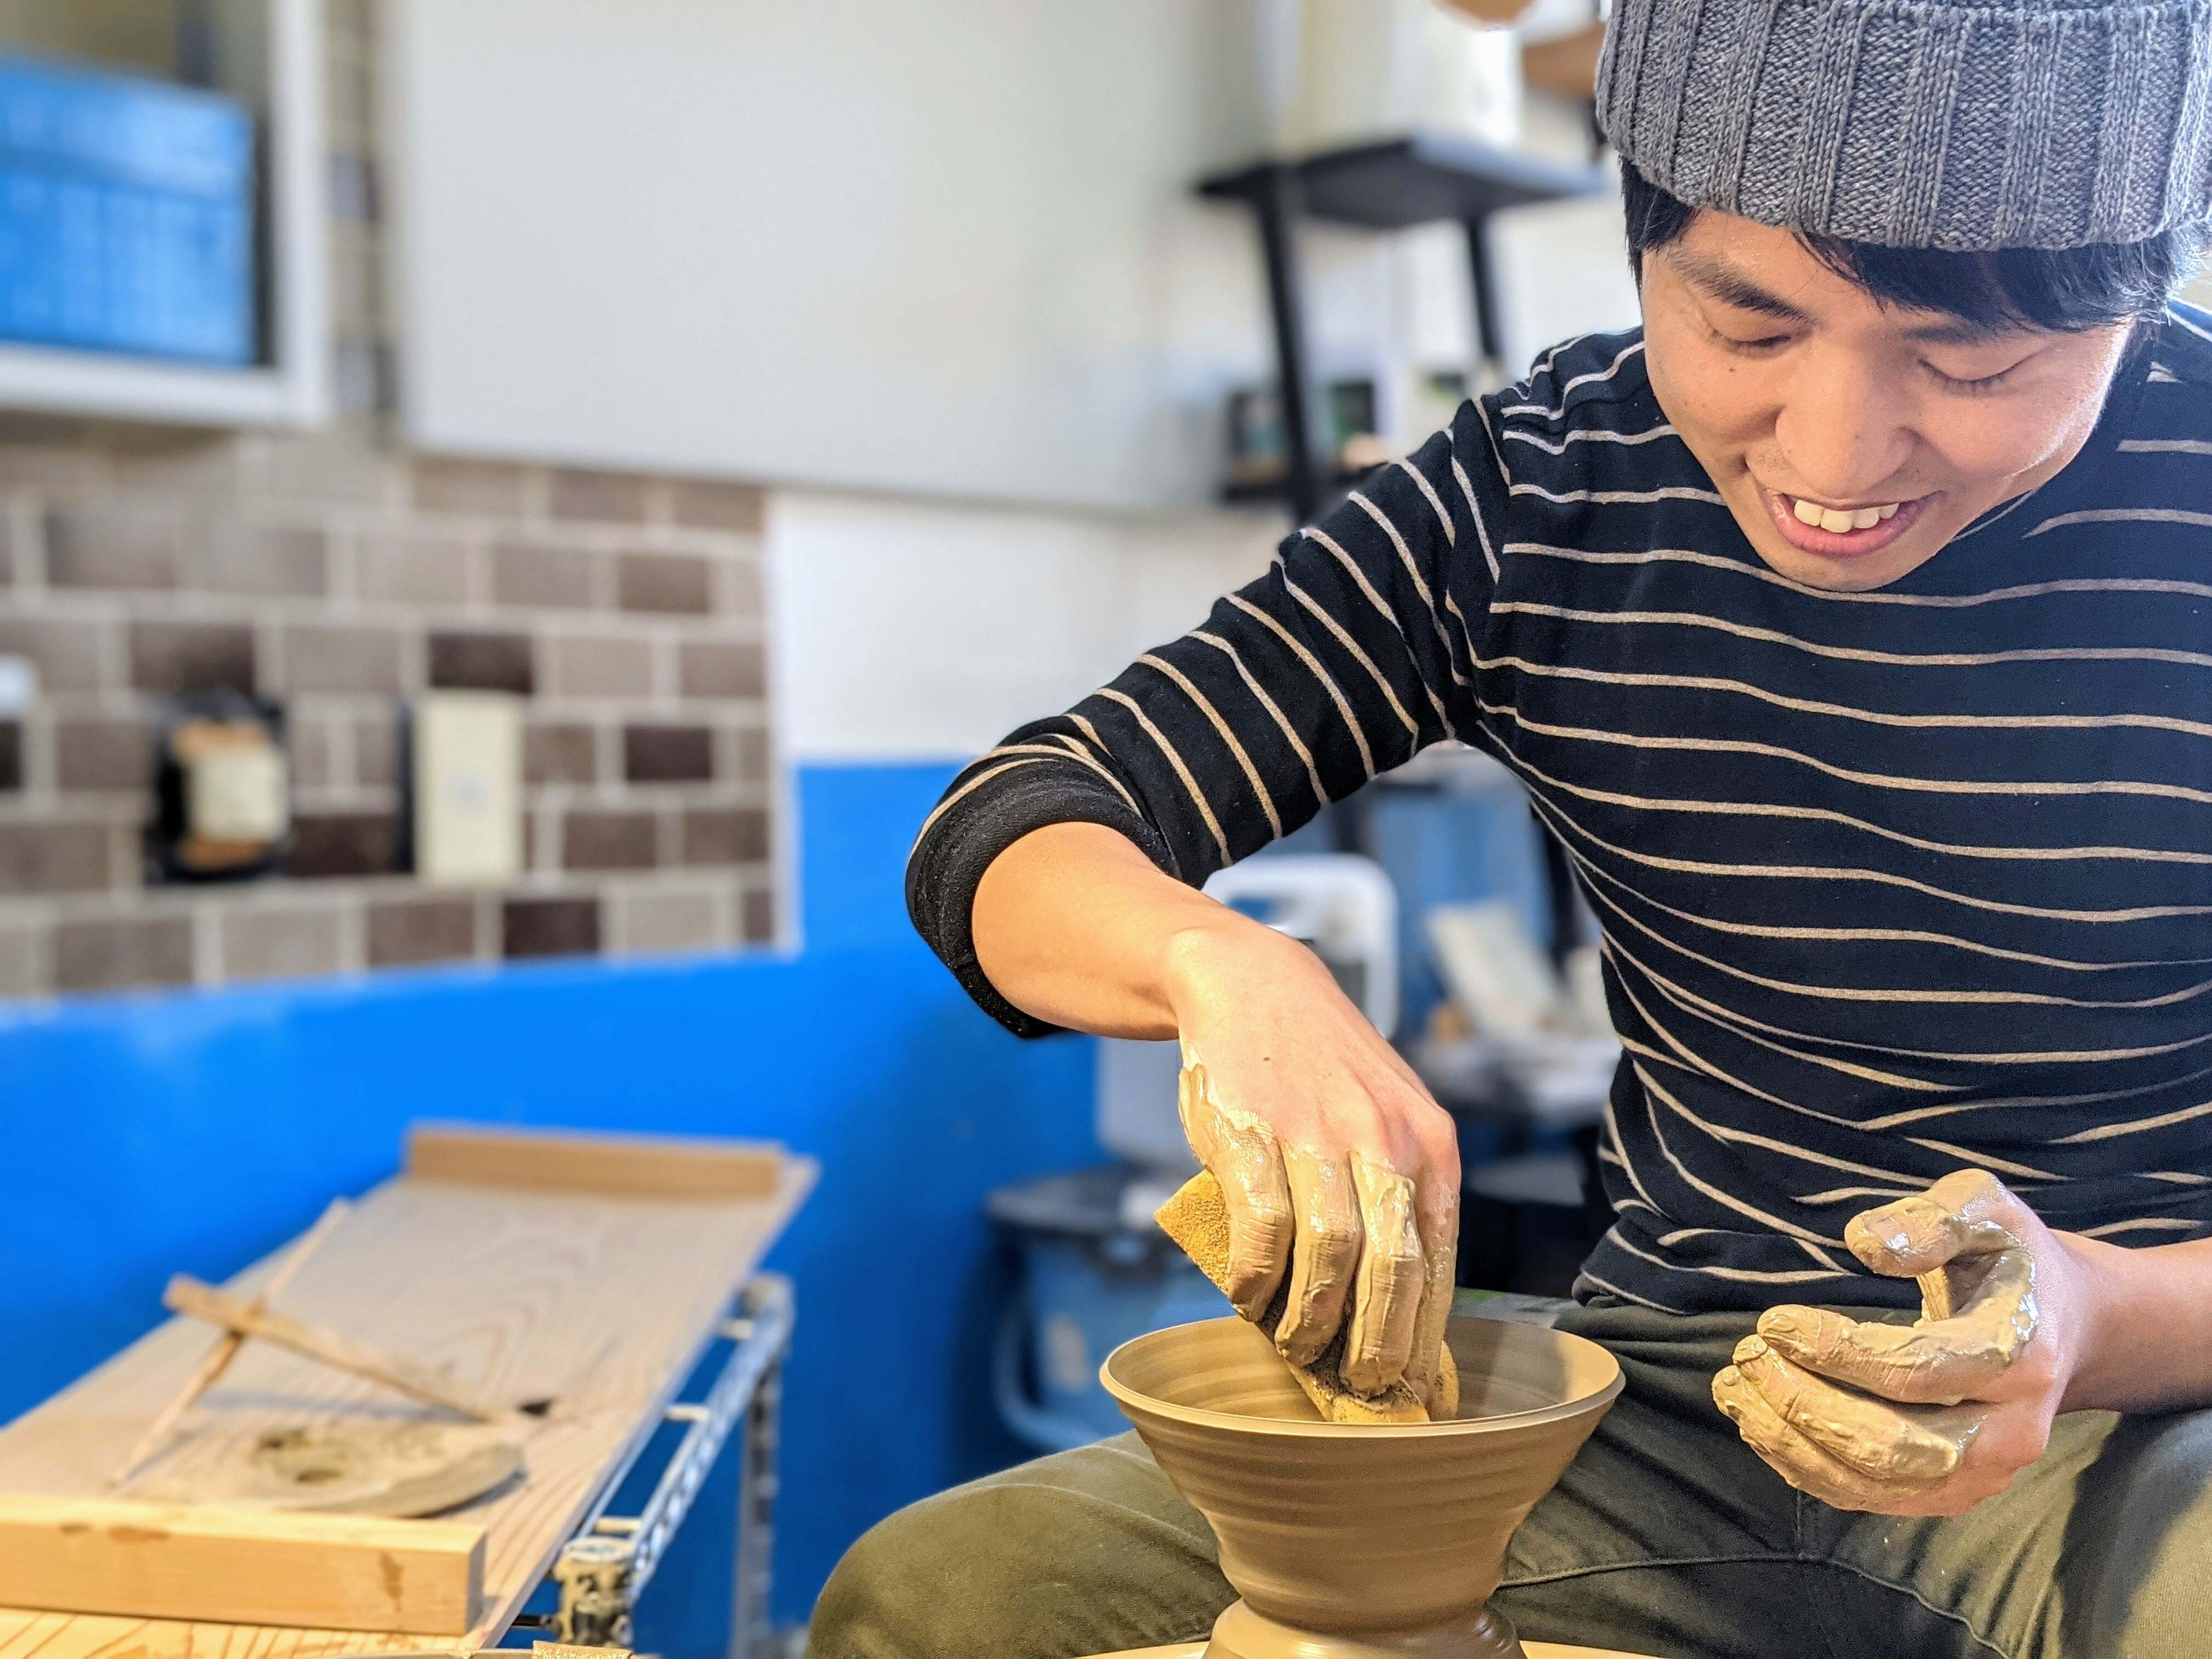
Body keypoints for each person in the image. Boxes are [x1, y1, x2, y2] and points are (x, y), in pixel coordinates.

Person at [811, 1, 2212, 1654]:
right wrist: (1219, 967)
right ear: (1644, 245)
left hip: (2143, 1414)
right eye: (1747, 326)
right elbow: (1007, 828)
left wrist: (2091, 1313)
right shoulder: (1547, 482)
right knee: (943, 1601)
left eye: (1967, 363)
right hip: (1675, 1408)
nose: (1831, 456)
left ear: (2132, 302)